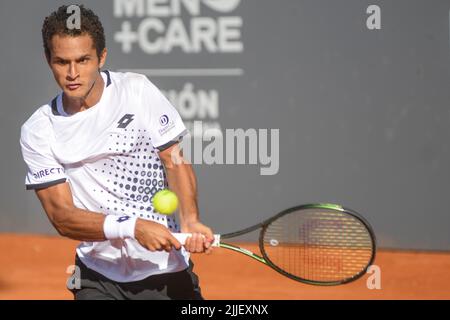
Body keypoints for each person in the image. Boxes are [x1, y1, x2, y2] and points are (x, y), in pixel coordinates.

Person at [19, 5, 214, 300]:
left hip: (163, 271)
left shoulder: (135, 90)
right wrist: (132, 227)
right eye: (62, 62)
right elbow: (62, 216)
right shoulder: (38, 129)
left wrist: (190, 220)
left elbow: (173, 159)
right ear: (49, 60)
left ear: (102, 57)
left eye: (83, 60)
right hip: (96, 275)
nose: (73, 73)